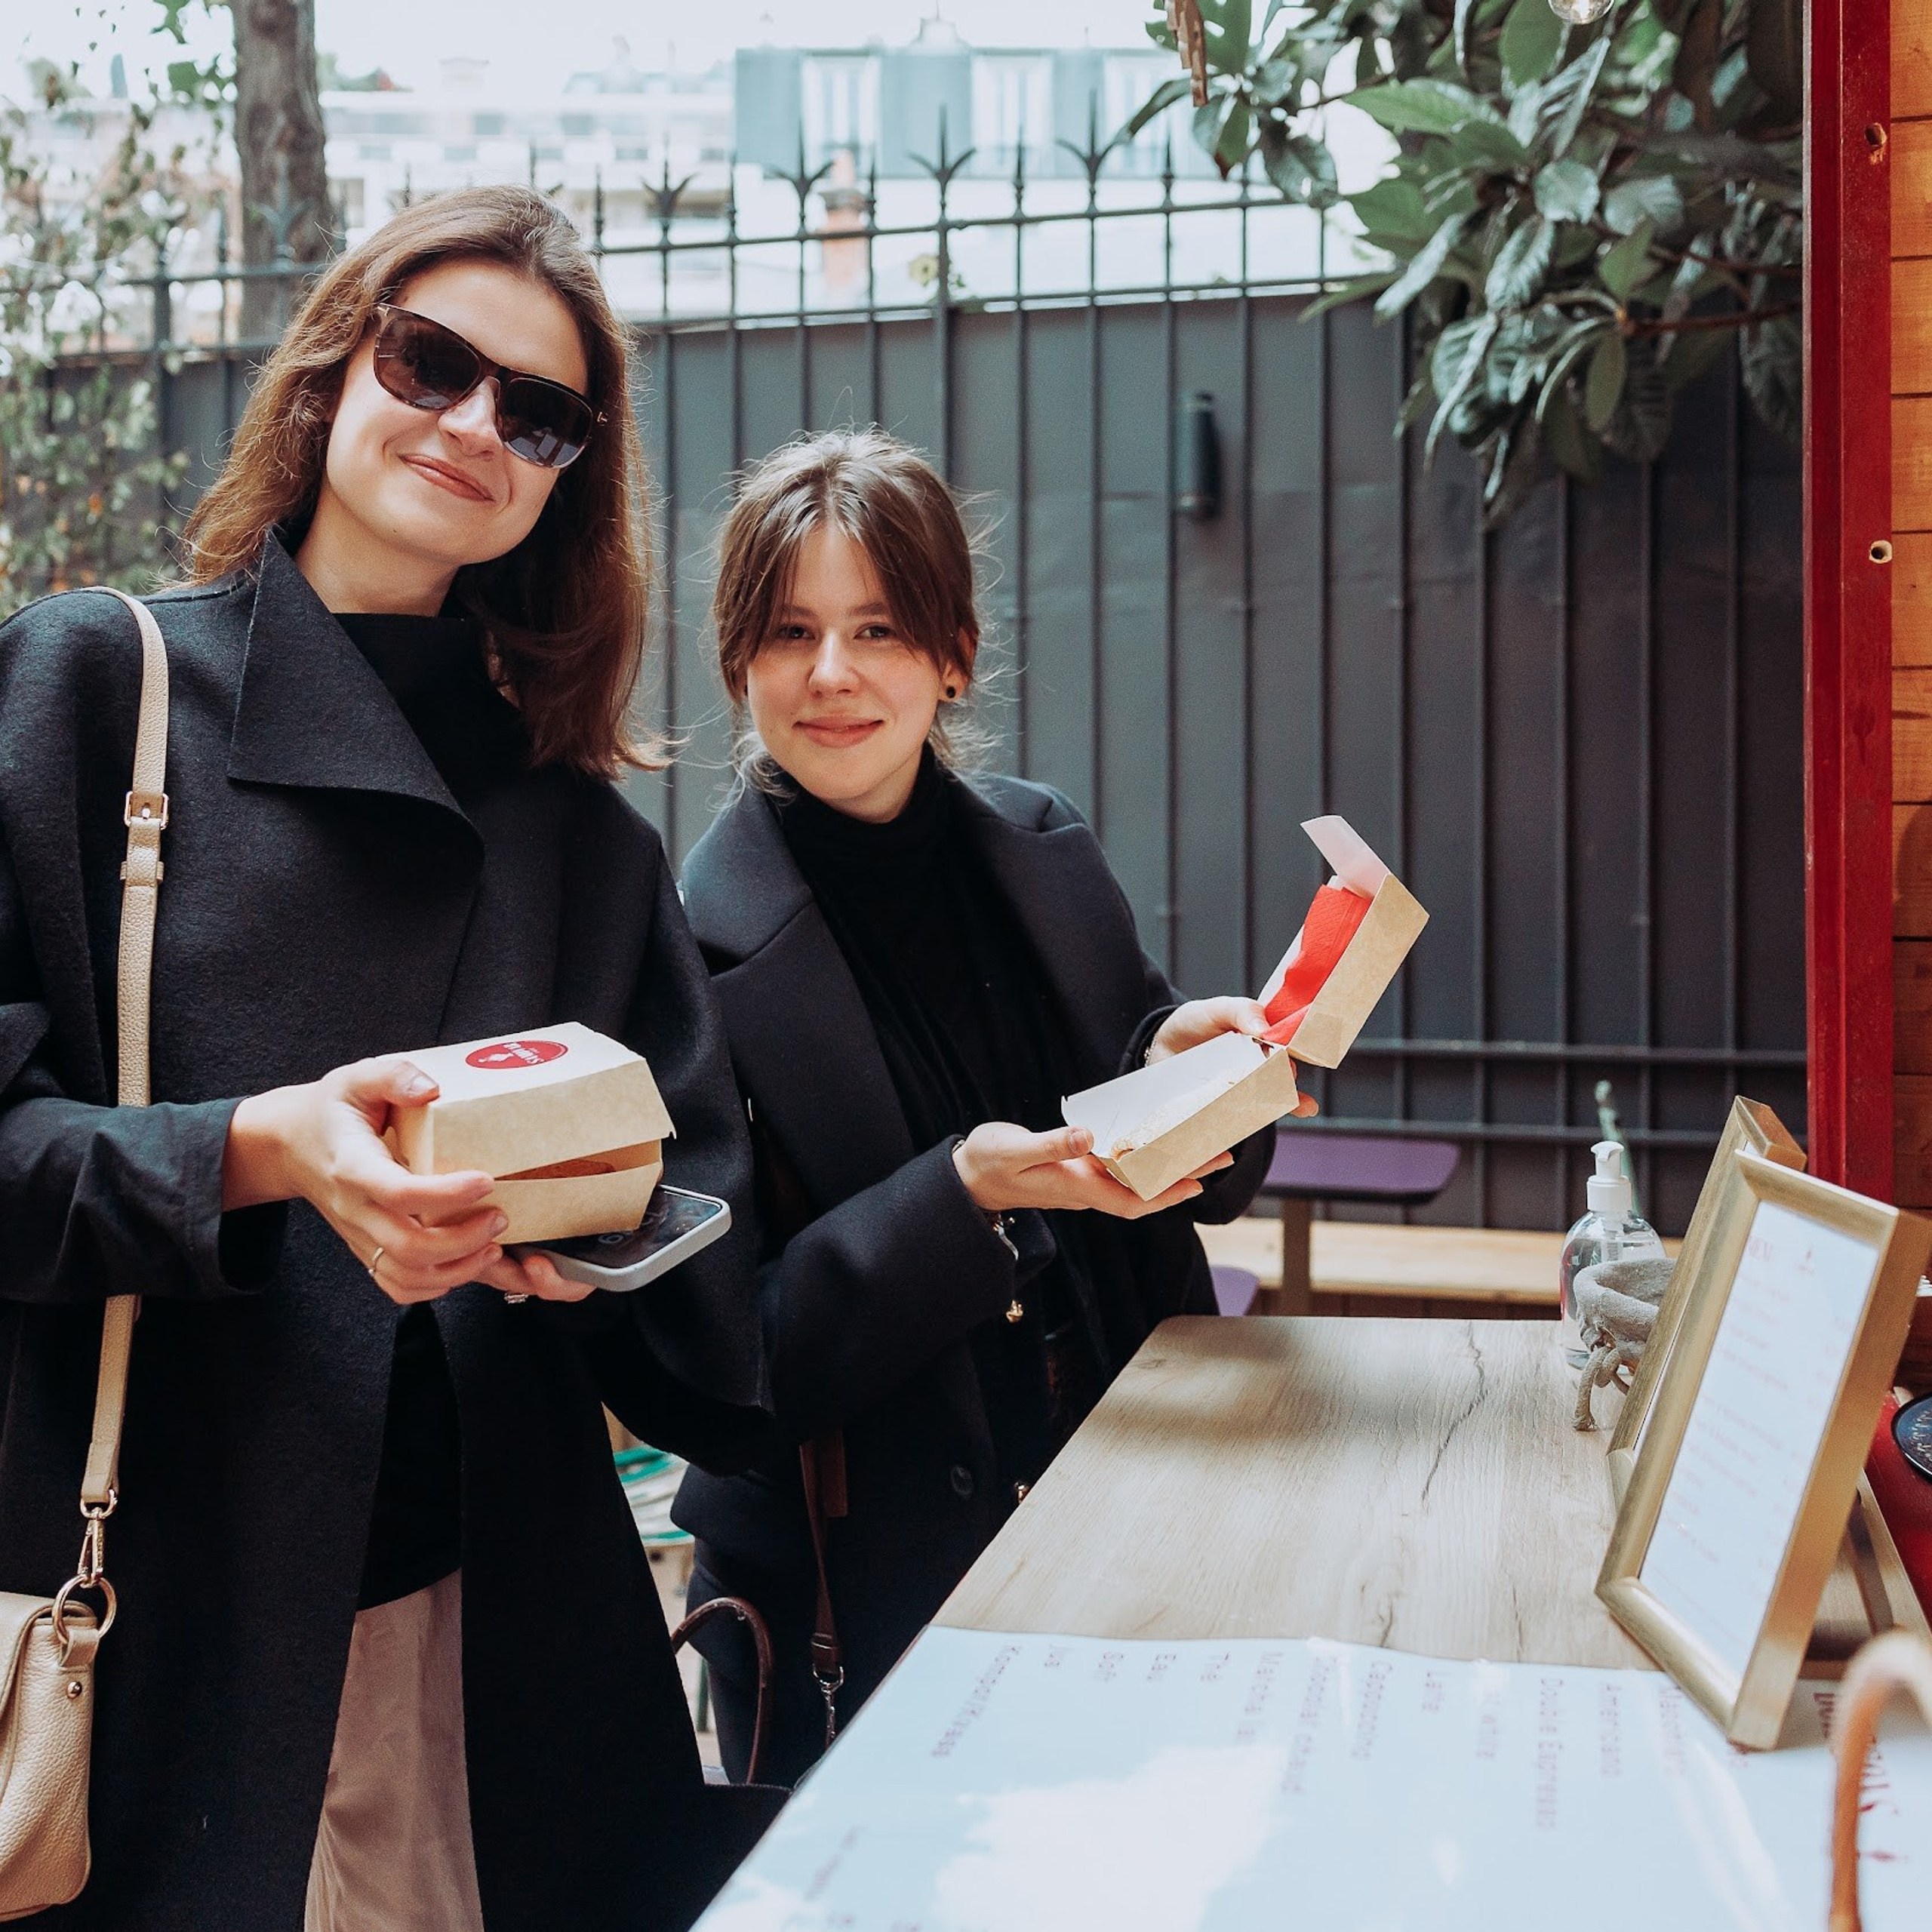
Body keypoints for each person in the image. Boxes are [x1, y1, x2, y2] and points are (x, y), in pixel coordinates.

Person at [0, 186, 765, 1932]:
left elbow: (704, 1243)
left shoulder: (574, 828)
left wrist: (590, 1255)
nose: (475, 425)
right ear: (339, 367)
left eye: (540, 412)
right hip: (144, 1620)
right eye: (435, 362)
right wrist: (258, 1150)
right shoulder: (86, 690)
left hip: (481, 1646)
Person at [673, 428, 1303, 1786]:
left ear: (953, 653)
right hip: (867, 1601)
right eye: (790, 631)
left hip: (1130, 1528)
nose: (832, 675)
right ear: (739, 661)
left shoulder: (1045, 847)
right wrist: (965, 1197)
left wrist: (1193, 1063)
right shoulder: (682, 954)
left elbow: (1177, 1182)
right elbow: (726, 1363)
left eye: (879, 629)